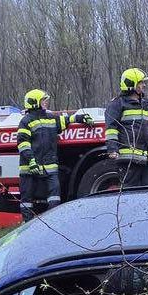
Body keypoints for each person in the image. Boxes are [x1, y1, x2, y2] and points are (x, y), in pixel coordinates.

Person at [17, 89, 92, 221]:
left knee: (54, 196)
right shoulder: (26, 121)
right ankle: (27, 223)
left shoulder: (50, 118)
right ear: (35, 103)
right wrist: (31, 161)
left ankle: (53, 221)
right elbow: (23, 144)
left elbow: (67, 120)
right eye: (43, 101)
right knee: (27, 198)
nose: (46, 103)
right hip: (29, 168)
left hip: (49, 166)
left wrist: (81, 118)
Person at [105, 68, 148, 188]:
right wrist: (112, 149)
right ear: (132, 84)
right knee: (131, 195)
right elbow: (111, 129)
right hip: (130, 161)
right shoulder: (117, 104)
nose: (144, 85)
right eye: (141, 83)